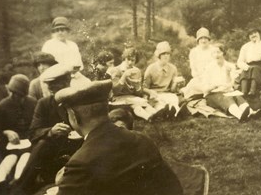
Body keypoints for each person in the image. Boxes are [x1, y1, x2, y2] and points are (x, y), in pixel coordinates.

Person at [54, 80, 183, 195]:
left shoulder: (80, 163)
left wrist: (67, 179)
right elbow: (173, 188)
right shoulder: (142, 139)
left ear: (73, 115)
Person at [13, 64, 83, 194]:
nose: (50, 88)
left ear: (67, 81)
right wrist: (51, 131)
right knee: (42, 144)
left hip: (78, 147)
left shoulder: (80, 100)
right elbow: (33, 133)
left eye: (54, 83)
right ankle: (22, 187)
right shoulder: (44, 104)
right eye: (48, 84)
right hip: (53, 153)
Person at [0, 74, 37, 186]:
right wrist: (6, 132)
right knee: (10, 159)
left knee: (26, 157)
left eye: (17, 94)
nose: (13, 96)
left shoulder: (33, 104)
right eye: (11, 92)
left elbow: (39, 124)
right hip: (10, 145)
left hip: (29, 143)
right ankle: (0, 183)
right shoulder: (2, 106)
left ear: (24, 94)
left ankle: (18, 182)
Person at [200, 44, 260, 122]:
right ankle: (240, 115)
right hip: (212, 95)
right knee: (226, 98)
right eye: (213, 53)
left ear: (223, 53)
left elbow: (231, 84)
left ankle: (251, 112)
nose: (216, 55)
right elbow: (204, 89)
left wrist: (228, 75)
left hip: (227, 91)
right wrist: (214, 86)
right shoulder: (208, 68)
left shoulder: (230, 66)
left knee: (237, 97)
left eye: (218, 52)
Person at [107, 47, 158, 121]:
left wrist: (137, 86)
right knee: (136, 105)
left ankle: (157, 114)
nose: (130, 62)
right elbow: (115, 91)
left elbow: (138, 93)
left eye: (133, 60)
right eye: (128, 59)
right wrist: (124, 76)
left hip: (132, 97)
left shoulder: (136, 71)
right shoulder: (116, 70)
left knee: (145, 104)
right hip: (118, 99)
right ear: (124, 58)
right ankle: (148, 118)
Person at [143, 41, 181, 116]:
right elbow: (144, 87)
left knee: (173, 99)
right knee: (160, 103)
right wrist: (151, 92)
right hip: (155, 94)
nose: (166, 56)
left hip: (167, 93)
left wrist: (176, 83)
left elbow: (173, 90)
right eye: (163, 54)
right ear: (158, 55)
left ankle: (175, 112)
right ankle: (164, 113)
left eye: (168, 54)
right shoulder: (151, 68)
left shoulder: (173, 68)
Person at [182, 27, 217, 99]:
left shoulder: (214, 50)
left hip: (212, 78)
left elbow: (217, 67)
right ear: (198, 40)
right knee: (192, 86)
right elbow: (193, 70)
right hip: (199, 78)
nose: (203, 40)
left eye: (205, 38)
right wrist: (199, 76)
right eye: (201, 38)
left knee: (214, 86)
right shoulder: (194, 52)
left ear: (208, 39)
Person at [236, 29, 261, 96]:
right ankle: (243, 91)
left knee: (254, 68)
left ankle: (252, 91)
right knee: (246, 69)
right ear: (249, 37)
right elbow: (239, 61)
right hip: (249, 67)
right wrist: (245, 66)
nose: (253, 35)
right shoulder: (245, 46)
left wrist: (257, 44)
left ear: (259, 34)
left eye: (255, 33)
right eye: (251, 34)